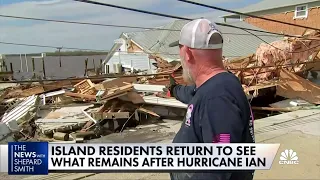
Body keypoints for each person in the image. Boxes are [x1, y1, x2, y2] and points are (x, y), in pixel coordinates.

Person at [167, 19, 255, 180]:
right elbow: (192, 93)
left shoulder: (217, 98)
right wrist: (174, 90)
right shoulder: (216, 85)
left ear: (187, 53)